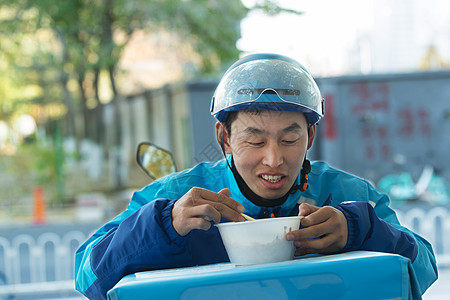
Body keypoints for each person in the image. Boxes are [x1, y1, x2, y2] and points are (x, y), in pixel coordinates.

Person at [74, 53, 437, 299]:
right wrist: (161, 228)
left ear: (310, 137)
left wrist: (361, 230)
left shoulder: (348, 196)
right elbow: (88, 278)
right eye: (254, 138)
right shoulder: (175, 198)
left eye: (290, 138)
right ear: (224, 138)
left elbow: (423, 270)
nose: (274, 158)